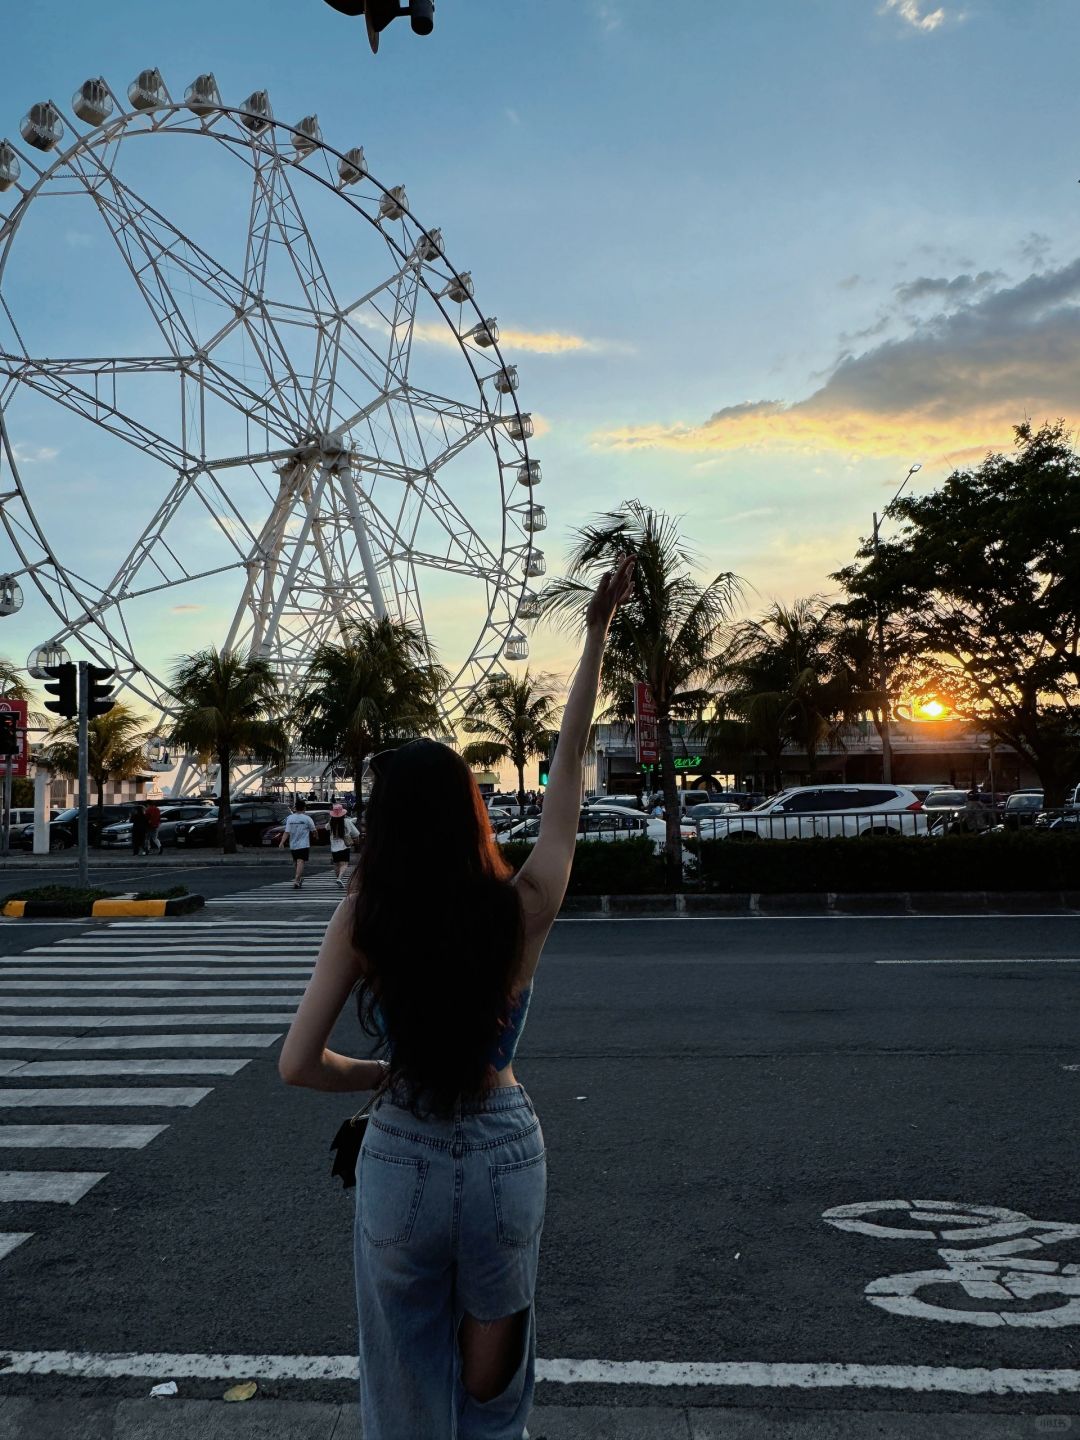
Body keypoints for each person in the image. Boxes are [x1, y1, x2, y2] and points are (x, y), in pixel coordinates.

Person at [279, 555, 635, 1440]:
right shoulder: (522, 909)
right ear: (472, 811)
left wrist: (380, 1076)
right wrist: (593, 637)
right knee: (493, 1397)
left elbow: (297, 1063)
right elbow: (568, 783)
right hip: (506, 1152)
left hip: (401, 1152)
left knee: (403, 1388)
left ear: (386, 823)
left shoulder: (365, 918)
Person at [279, 798, 317, 888]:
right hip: (304, 844)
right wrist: (316, 836)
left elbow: (286, 832)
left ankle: (299, 879)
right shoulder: (307, 818)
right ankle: (296, 880)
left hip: (293, 844)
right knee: (300, 862)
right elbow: (314, 830)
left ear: (295, 808)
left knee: (296, 862)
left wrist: (282, 842)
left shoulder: (290, 818)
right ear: (304, 808)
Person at [328, 802, 360, 888]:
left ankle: (338, 878)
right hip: (344, 846)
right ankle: (339, 878)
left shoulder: (331, 822)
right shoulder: (347, 821)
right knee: (344, 864)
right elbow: (356, 833)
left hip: (334, 847)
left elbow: (326, 827)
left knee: (336, 864)